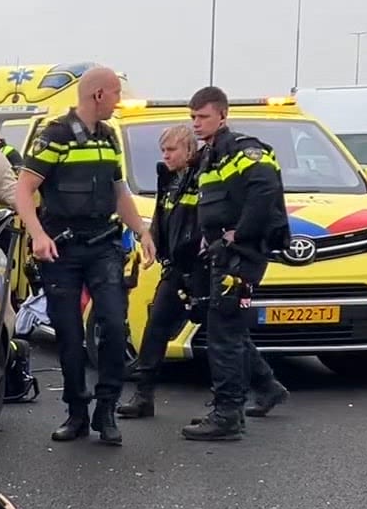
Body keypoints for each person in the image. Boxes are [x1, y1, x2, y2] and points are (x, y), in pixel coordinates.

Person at [14, 65, 154, 445]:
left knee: (111, 324)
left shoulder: (109, 139)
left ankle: (105, 410)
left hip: (104, 246)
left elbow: (119, 192)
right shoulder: (55, 136)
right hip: (62, 249)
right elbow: (23, 191)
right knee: (70, 335)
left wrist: (143, 231)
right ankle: (76, 411)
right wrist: (38, 235)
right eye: (115, 94)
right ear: (98, 95)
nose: (118, 101)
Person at [117, 123, 288, 422]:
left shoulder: (206, 177)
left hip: (203, 266)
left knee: (224, 332)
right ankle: (143, 396)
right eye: (163, 151)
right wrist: (155, 245)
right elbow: (165, 218)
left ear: (189, 150)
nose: (166, 156)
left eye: (171, 150)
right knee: (157, 326)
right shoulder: (170, 179)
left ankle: (264, 387)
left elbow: (212, 219)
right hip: (177, 267)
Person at [180, 85, 291, 441]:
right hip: (221, 254)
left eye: (203, 117)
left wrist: (239, 235)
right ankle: (267, 387)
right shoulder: (211, 155)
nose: (196, 124)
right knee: (230, 328)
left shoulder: (244, 150)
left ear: (223, 116)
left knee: (222, 333)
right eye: (193, 117)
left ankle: (228, 414)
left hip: (241, 255)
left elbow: (265, 190)